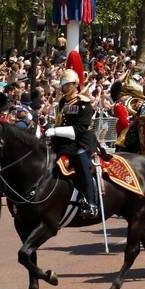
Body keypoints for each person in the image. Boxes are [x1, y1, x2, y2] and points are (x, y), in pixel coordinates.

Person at [47, 69, 101, 221]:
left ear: (75, 85)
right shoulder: (63, 102)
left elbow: (79, 129)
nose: (64, 88)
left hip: (81, 141)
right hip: (64, 143)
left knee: (82, 165)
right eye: (63, 85)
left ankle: (91, 203)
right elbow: (60, 121)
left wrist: (55, 131)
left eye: (67, 85)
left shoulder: (83, 103)